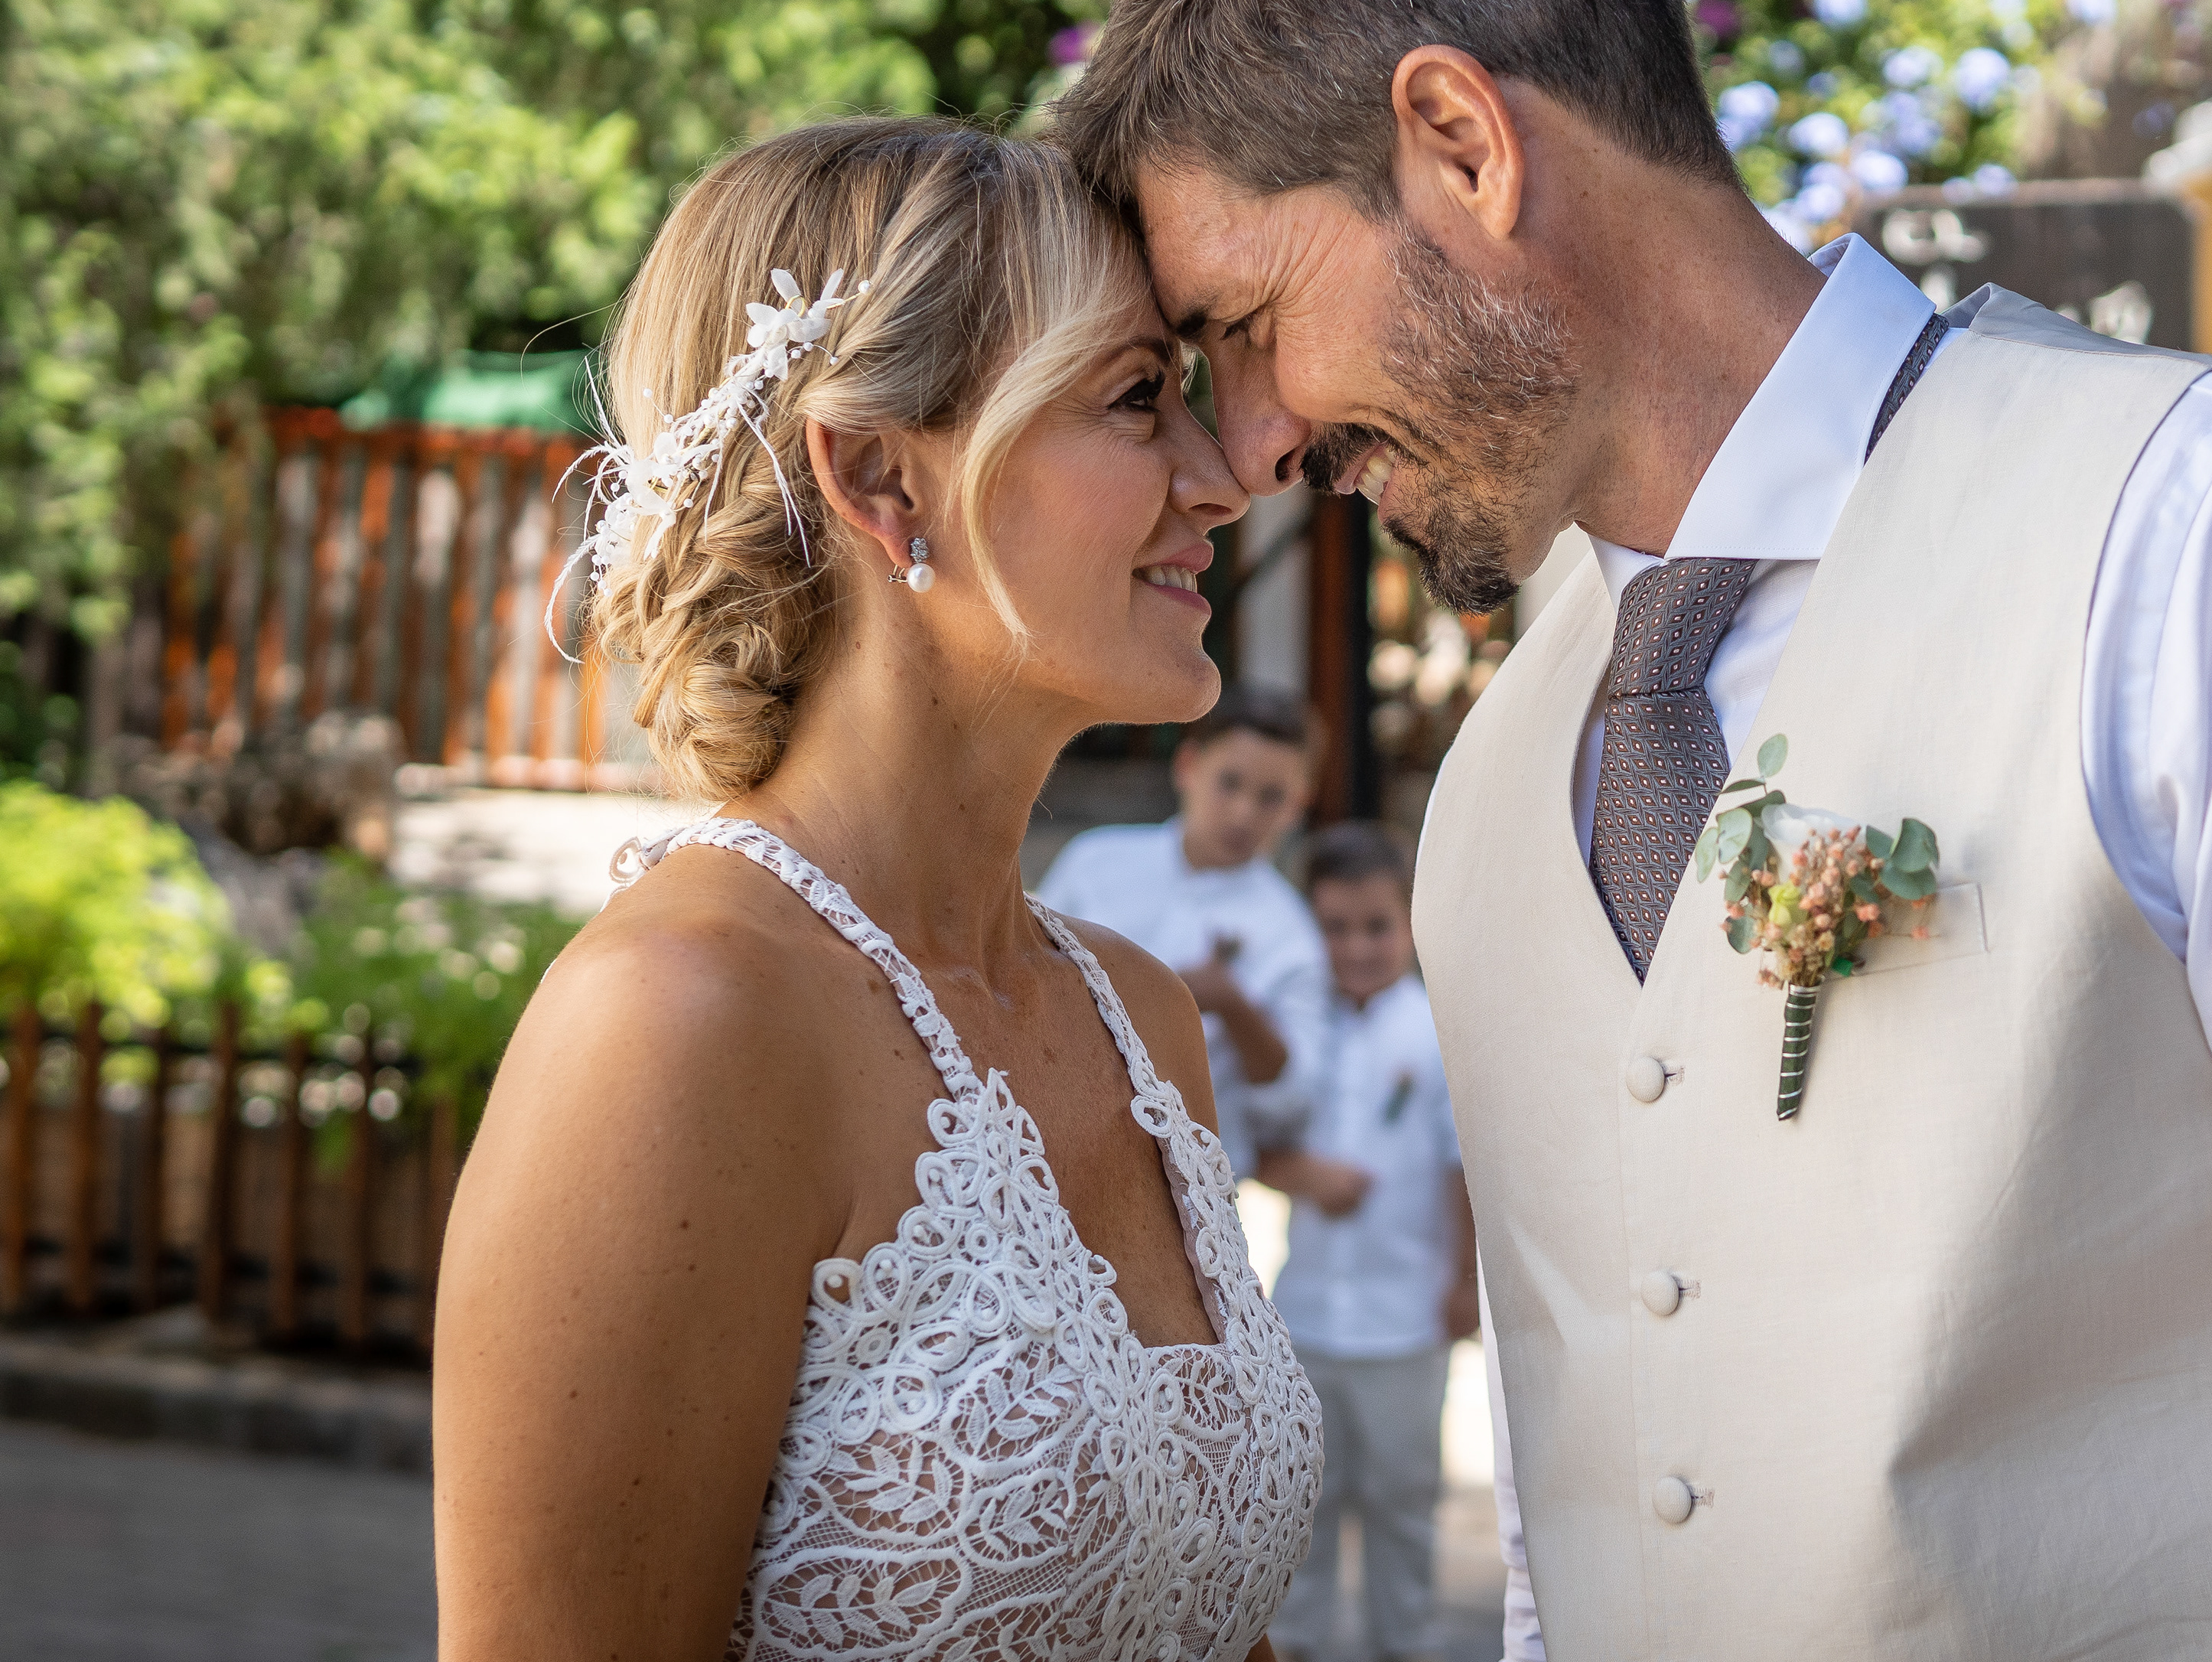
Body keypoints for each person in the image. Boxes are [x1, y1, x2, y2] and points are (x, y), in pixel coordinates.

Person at [1057, 0, 2212, 1662]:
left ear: (1462, 141)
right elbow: (1577, 1524)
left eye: (1245, 322)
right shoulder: (1491, 789)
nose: (1251, 445)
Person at [432, 119, 1318, 1662]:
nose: (1223, 477)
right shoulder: (679, 1019)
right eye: (1135, 397)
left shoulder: (1140, 1019)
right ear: (882, 476)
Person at [1256, 823, 1479, 1662]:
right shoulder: (1296, 1031)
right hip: (1306, 1316)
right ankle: (1296, 1643)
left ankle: (1403, 1642)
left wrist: (1464, 1281)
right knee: (1299, 1507)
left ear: (1410, 922)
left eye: (1377, 927)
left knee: (1401, 1500)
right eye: (1335, 928)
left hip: (1405, 1318)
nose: (1355, 948)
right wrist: (1300, 1174)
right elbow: (1250, 1139)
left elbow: (1463, 1168)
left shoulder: (1434, 1030)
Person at [1036, 686, 1330, 1181]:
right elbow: (1021, 973)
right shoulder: (1094, 862)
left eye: (1270, 797)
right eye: (1229, 783)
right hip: (1054, 1141)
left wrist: (1233, 1007)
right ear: (1189, 767)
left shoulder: (1293, 935)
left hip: (1189, 1185)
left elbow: (1293, 1103)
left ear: (1297, 805)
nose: (1243, 813)